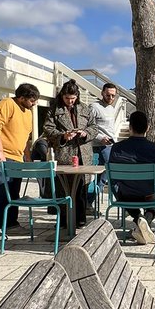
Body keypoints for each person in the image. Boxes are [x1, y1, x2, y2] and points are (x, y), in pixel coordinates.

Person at [106, 110, 155, 244]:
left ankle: (138, 220)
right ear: (147, 127)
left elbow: (112, 180)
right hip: (149, 195)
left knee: (120, 192)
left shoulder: (116, 148)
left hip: (127, 196)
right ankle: (145, 221)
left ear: (130, 127)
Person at [0, 83, 39, 239]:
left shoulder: (28, 112)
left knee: (13, 192)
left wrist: (27, 156)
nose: (34, 104)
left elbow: (25, 137)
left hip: (17, 157)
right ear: (21, 98)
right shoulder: (6, 104)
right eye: (32, 100)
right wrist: (0, 151)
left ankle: (11, 224)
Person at [41, 80, 96, 230]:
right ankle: (64, 220)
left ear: (77, 96)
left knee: (82, 187)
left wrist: (85, 133)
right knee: (63, 187)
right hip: (64, 154)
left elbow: (94, 127)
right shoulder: (54, 110)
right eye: (67, 98)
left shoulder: (85, 108)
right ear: (62, 96)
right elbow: (48, 129)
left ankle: (80, 219)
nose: (70, 101)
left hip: (83, 153)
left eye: (73, 98)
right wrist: (63, 136)